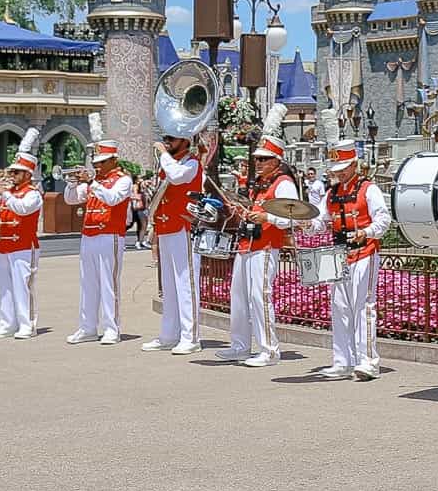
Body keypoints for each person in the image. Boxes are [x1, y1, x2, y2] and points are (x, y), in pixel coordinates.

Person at [307, 137, 390, 380]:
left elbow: (383, 220)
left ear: (354, 166)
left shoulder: (369, 189)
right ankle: (343, 361)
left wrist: (367, 232)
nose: (340, 175)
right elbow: (321, 222)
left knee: (364, 306)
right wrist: (306, 224)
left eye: (343, 170)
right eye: (337, 171)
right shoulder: (331, 194)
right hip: (336, 253)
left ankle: (368, 361)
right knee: (339, 307)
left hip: (363, 251)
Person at [221, 131, 301, 367]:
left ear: (277, 160)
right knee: (238, 297)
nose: (258, 162)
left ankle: (269, 350)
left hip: (266, 245)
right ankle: (240, 345)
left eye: (263, 159)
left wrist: (265, 216)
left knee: (260, 296)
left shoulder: (283, 183)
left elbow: (291, 217)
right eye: (257, 159)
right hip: (247, 244)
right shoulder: (260, 184)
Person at [63, 136, 131, 345]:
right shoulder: (95, 183)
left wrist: (91, 182)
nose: (97, 166)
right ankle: (88, 327)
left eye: (101, 162)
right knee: (88, 283)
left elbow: (112, 199)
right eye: (95, 163)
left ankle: (112, 328)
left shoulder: (123, 180)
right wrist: (72, 183)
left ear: (113, 160)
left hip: (110, 235)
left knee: (109, 283)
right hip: (89, 236)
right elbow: (70, 199)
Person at [144, 132, 207, 355]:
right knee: (168, 286)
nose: (167, 142)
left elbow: (178, 177)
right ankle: (169, 334)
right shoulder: (172, 162)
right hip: (166, 226)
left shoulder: (191, 163)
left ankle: (191, 337)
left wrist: (162, 154)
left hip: (184, 228)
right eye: (166, 138)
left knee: (185, 284)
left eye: (172, 138)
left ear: (185, 140)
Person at [0, 134, 43, 339]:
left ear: (28, 174)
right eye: (12, 171)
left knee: (23, 286)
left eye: (17, 172)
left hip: (25, 245)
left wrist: (6, 194)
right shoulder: (7, 192)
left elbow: (23, 209)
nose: (12, 175)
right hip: (4, 246)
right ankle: (7, 323)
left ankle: (27, 324)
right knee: (6, 288)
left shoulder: (33, 193)